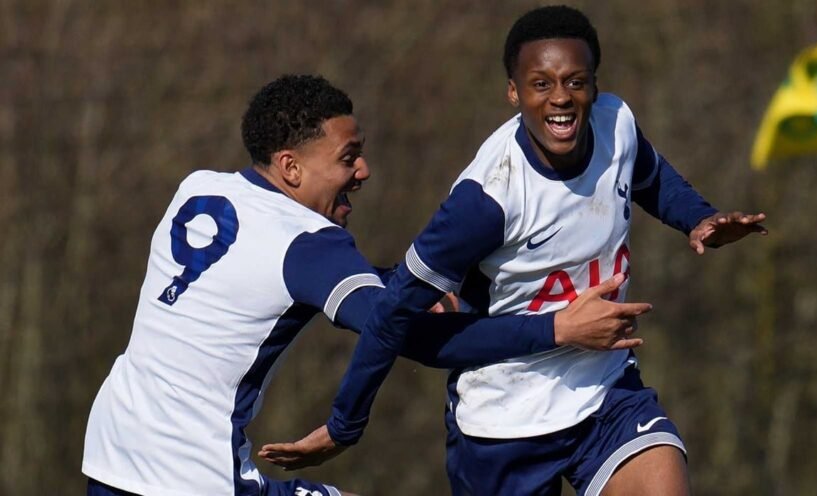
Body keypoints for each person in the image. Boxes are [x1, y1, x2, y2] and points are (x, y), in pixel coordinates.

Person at [264, 6, 768, 494]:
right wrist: (344, 423)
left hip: (605, 395)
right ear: (514, 92)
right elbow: (395, 313)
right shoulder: (487, 199)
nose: (561, 99)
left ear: (595, 85)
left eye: (576, 81)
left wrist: (698, 219)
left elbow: (651, 178)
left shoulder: (618, 124)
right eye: (541, 84)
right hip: (503, 424)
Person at [81, 74, 652, 496]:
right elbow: (410, 337)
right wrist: (557, 328)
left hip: (110, 454)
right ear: (291, 167)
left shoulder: (198, 188)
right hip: (192, 477)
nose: (364, 171)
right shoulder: (311, 244)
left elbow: (255, 272)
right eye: (348, 157)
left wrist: (388, 284)